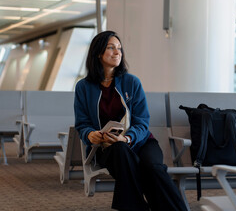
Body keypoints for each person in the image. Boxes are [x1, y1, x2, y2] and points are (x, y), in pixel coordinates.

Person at [74, 30, 187, 211]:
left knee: (154, 168)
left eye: (119, 48)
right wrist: (91, 135)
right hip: (109, 148)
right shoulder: (83, 87)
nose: (117, 52)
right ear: (98, 53)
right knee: (120, 150)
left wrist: (127, 138)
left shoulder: (132, 82)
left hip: (141, 142)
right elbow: (82, 124)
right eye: (111, 48)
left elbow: (142, 122)